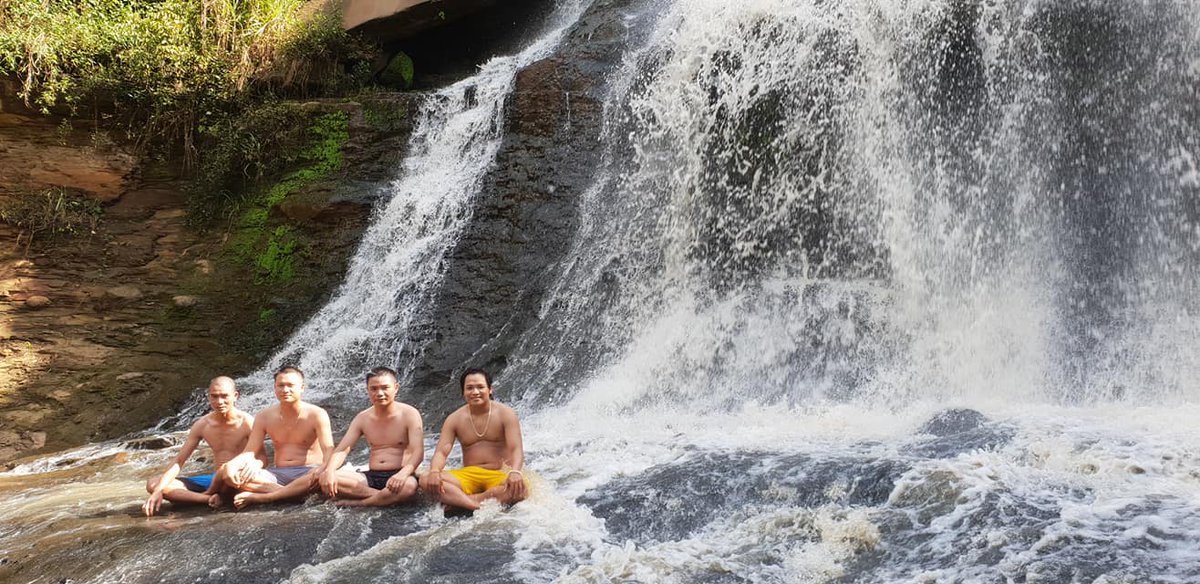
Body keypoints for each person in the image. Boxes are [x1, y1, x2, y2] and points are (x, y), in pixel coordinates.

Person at [212, 365, 334, 509]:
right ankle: (291, 495)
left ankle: (268, 496)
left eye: (290, 385)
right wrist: (232, 465)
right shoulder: (264, 416)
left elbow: (328, 450)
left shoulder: (317, 414)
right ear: (275, 388)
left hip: (308, 472)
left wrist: (325, 470)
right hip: (277, 475)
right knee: (232, 474)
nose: (285, 390)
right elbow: (250, 451)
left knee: (319, 475)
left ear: (302, 387)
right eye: (280, 385)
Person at [141, 376, 262, 516]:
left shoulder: (247, 422)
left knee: (228, 473)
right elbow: (179, 460)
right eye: (214, 396)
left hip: (238, 477)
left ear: (235, 396)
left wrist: (255, 465)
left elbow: (262, 457)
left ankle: (206, 497)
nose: (219, 401)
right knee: (154, 483)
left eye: (224, 396)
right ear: (209, 397)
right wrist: (158, 491)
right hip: (213, 479)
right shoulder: (202, 424)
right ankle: (207, 499)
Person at [419, 367, 528, 512]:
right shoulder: (455, 419)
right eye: (469, 388)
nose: (475, 392)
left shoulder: (506, 414)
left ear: (490, 389)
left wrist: (515, 472)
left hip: (500, 473)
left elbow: (516, 449)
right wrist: (434, 472)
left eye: (480, 387)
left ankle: (463, 501)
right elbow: (441, 452)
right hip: (469, 475)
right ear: (463, 392)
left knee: (521, 490)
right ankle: (476, 505)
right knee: (425, 479)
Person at [317, 366, 424, 507]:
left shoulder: (409, 414)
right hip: (371, 477)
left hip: (401, 474)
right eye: (374, 389)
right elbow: (342, 450)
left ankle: (361, 503)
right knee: (328, 478)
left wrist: (403, 474)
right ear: (368, 390)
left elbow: (418, 452)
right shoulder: (363, 418)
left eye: (385, 388)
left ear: (396, 388)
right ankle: (384, 498)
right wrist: (329, 471)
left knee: (408, 487)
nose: (379, 393)